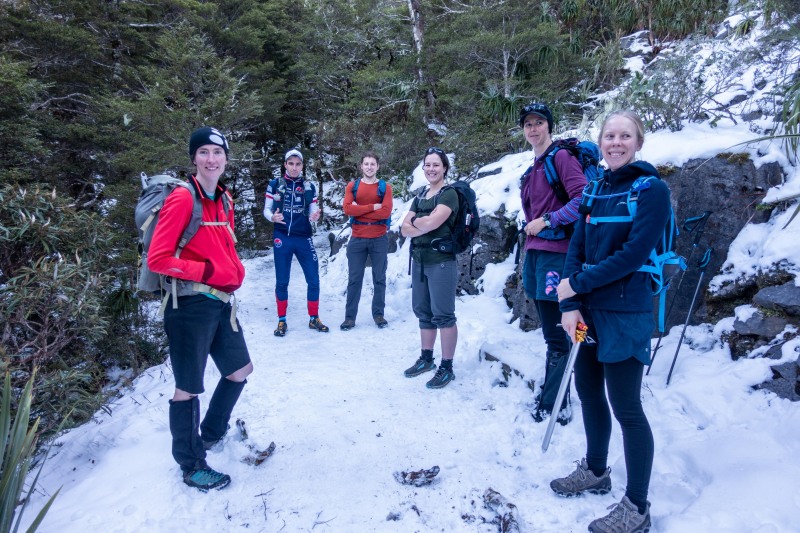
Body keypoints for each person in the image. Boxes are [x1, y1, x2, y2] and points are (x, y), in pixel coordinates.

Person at [553, 110, 667, 533]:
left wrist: (575, 284)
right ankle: (596, 471)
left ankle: (637, 506)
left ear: (638, 142)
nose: (615, 143)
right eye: (609, 136)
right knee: (587, 390)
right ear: (600, 142)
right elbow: (576, 245)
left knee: (627, 407)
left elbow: (634, 255)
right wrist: (569, 304)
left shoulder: (651, 190)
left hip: (626, 314)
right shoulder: (596, 187)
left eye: (625, 136)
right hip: (586, 314)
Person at [148, 126, 253, 491]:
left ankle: (209, 432)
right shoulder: (182, 198)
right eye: (204, 152)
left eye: (218, 153)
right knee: (188, 387)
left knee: (240, 369)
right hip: (190, 304)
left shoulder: (224, 200)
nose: (211, 159)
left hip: (221, 302)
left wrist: (228, 271)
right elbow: (158, 258)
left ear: (226, 158)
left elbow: (222, 246)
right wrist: (206, 271)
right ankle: (191, 465)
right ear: (194, 158)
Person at [518, 102, 587, 423]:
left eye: (539, 122)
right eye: (528, 124)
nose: (533, 128)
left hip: (558, 256)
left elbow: (583, 198)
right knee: (551, 331)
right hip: (537, 255)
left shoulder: (560, 157)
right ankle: (556, 391)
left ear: (549, 126)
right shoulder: (535, 167)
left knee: (561, 332)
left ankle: (559, 400)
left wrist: (547, 220)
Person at [400, 147, 459, 389]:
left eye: (436, 165)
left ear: (444, 167)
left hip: (441, 262)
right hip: (420, 260)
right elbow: (404, 228)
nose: (431, 169)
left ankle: (447, 366)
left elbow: (434, 222)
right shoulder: (420, 195)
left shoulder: (449, 194)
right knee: (423, 312)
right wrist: (418, 224)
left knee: (443, 314)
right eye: (427, 165)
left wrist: (417, 223)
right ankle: (427, 359)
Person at [263, 149, 329, 336]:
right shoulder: (275, 184)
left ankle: (313, 318)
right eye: (290, 163)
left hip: (303, 237)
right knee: (282, 280)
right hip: (282, 236)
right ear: (285, 164)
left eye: (298, 164)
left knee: (313, 278)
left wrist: (315, 216)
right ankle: (282, 320)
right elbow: (266, 210)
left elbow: (313, 212)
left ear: (302, 166)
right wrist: (271, 218)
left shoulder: (309, 187)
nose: (294, 167)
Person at [340, 152, 393, 330]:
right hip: (357, 238)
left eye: (373, 164)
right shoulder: (352, 186)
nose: (369, 167)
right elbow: (347, 209)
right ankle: (349, 318)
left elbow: (385, 212)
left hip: (379, 238)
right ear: (361, 166)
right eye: (366, 164)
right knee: (354, 279)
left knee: (379, 278)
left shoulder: (386, 187)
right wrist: (372, 207)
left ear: (378, 166)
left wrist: (359, 209)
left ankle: (378, 315)